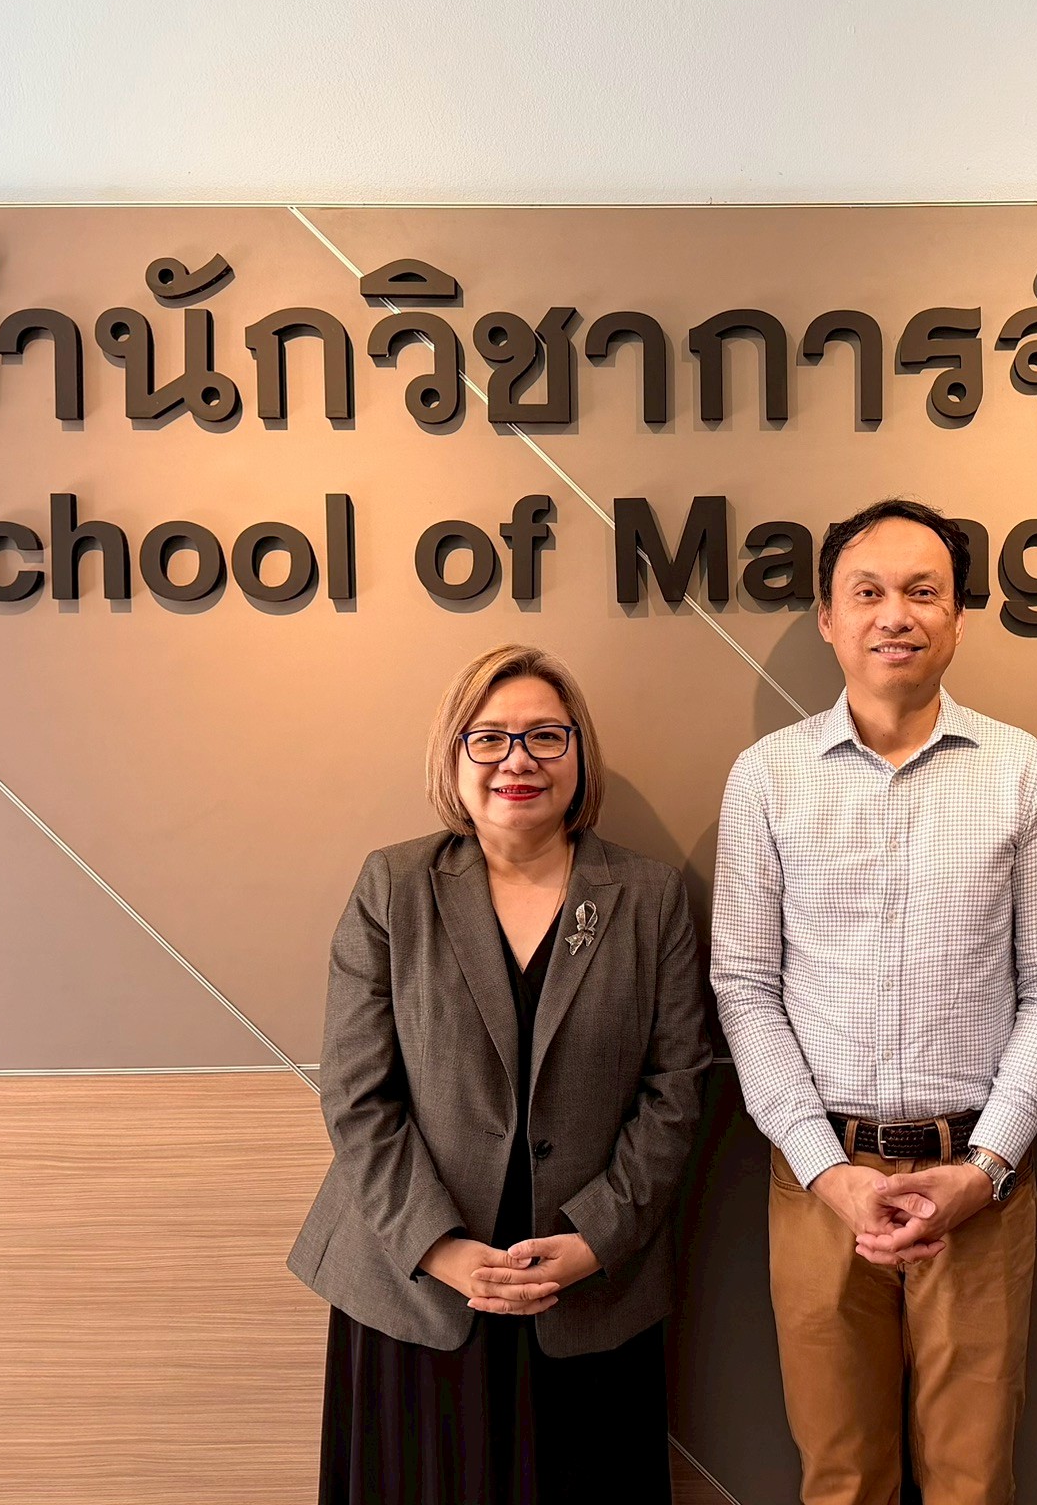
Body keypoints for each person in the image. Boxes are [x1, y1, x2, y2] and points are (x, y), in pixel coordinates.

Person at [712, 497, 1037, 1505]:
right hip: (819, 1184)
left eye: (924, 592)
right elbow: (744, 987)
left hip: (978, 1185)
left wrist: (986, 1167)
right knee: (841, 1482)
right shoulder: (766, 778)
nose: (896, 614)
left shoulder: (1026, 775)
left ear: (958, 616)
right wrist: (827, 1170)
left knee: (974, 1482)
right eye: (868, 592)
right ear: (829, 619)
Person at [289, 645, 713, 1505]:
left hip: (587, 1288)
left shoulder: (648, 896)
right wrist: (439, 1248)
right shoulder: (394, 886)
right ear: (454, 755)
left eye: (546, 736)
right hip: (415, 1288)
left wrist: (594, 1241)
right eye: (489, 738)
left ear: (579, 753)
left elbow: (676, 1089)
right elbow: (358, 1095)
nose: (518, 760)